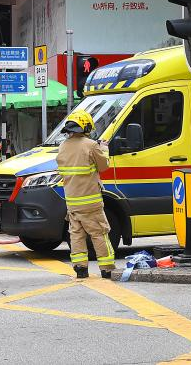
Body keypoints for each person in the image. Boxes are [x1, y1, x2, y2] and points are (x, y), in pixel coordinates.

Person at [55, 110, 114, 279]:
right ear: (86, 127)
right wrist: (104, 148)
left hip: (72, 202)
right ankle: (107, 268)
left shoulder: (63, 147)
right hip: (91, 202)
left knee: (77, 235)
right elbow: (104, 166)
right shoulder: (91, 145)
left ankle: (80, 268)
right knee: (99, 233)